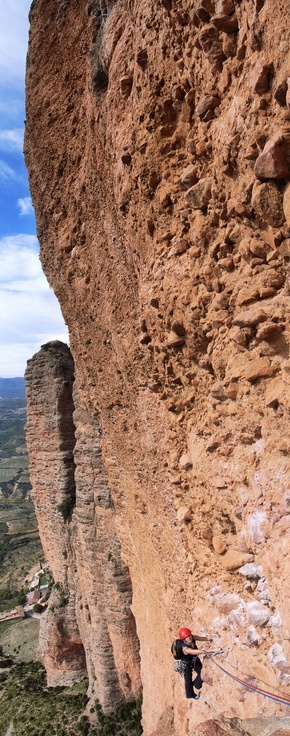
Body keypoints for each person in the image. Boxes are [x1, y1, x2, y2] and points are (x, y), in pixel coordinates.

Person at [178, 627, 215, 700]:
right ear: (184, 639)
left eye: (189, 635)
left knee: (202, 672)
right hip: (186, 665)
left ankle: (197, 684)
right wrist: (213, 650)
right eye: (186, 637)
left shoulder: (193, 638)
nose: (189, 638)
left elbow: (200, 638)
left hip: (194, 660)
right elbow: (199, 651)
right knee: (188, 680)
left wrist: (209, 639)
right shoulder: (185, 649)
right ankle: (191, 695)